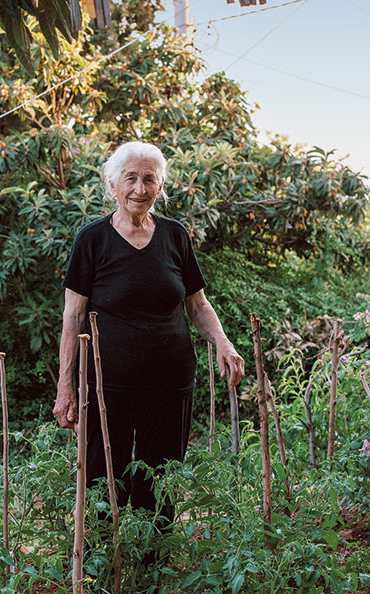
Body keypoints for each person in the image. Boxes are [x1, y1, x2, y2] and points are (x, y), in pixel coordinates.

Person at [52, 140, 245, 529]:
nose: (139, 189)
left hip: (170, 383)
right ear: (112, 184)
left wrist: (223, 342)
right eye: (130, 178)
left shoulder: (175, 236)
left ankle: (154, 561)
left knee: (162, 477)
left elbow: (197, 305)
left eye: (149, 179)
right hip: (107, 386)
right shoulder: (92, 240)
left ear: (160, 186)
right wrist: (65, 386)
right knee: (103, 477)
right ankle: (103, 558)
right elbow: (72, 317)